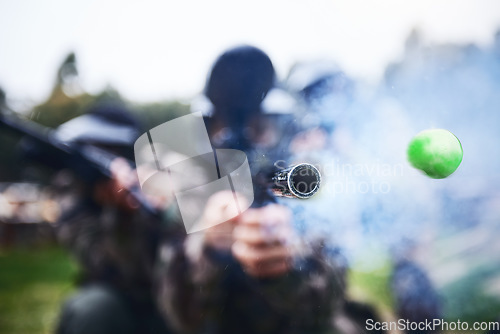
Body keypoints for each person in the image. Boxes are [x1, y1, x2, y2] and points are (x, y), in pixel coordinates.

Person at [155, 46, 347, 334]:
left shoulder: (302, 189)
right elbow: (176, 312)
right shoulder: (187, 196)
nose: (242, 146)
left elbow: (330, 298)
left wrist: (286, 265)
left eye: (259, 128)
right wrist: (208, 250)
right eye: (225, 132)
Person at [53, 102, 172, 334]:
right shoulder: (75, 191)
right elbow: (97, 260)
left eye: (110, 148)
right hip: (120, 300)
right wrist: (120, 214)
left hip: (176, 297)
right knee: (93, 309)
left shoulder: (162, 181)